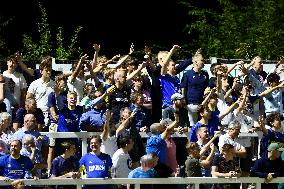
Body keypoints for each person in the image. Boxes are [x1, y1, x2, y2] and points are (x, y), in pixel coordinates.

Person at [26, 58, 55, 130]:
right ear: (41, 71)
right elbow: (28, 99)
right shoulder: (34, 84)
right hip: (38, 114)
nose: (49, 72)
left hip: (50, 114)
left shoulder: (54, 84)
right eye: (46, 70)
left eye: (50, 70)